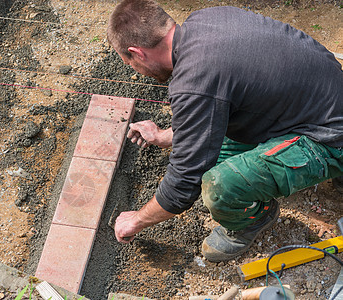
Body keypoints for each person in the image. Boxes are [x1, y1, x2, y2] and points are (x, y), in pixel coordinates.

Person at [107, 0, 343, 262]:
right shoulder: (209, 18)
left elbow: (183, 184)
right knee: (216, 144)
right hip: (323, 97)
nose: (136, 70)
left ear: (137, 53)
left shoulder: (194, 80)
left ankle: (254, 219)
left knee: (220, 186)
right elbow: (213, 107)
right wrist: (165, 136)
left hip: (329, 136)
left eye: (130, 63)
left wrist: (136, 220)